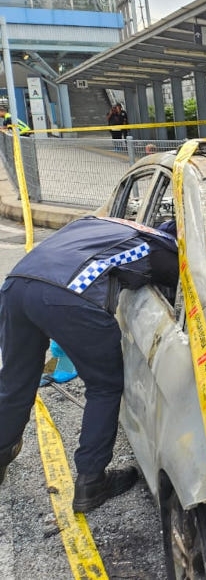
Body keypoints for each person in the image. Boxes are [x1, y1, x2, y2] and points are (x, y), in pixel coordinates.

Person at [0, 216, 179, 512]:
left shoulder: (103, 223)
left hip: (17, 285)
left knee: (16, 381)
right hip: (70, 294)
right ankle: (91, 483)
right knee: (104, 386)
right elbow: (181, 282)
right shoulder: (157, 247)